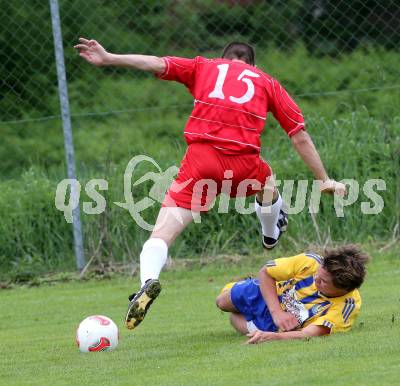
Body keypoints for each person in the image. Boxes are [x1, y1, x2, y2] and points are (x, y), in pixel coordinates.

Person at [74, 38, 347, 330]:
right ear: (253, 65)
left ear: (224, 58)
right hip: (244, 163)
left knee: (162, 233)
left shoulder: (203, 67)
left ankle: (148, 281)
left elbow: (156, 62)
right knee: (268, 185)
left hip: (200, 161)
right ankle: (271, 231)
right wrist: (324, 179)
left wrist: (109, 56)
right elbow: (298, 135)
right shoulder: (268, 82)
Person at [216, 245, 369, 344]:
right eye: (317, 274)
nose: (316, 278)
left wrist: (273, 337)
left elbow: (311, 333)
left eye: (323, 282)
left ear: (343, 289)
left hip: (278, 326)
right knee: (221, 302)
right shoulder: (310, 261)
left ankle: (253, 320)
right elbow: (265, 272)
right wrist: (277, 312)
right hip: (270, 293)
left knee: (235, 319)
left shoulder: (347, 305)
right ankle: (248, 286)